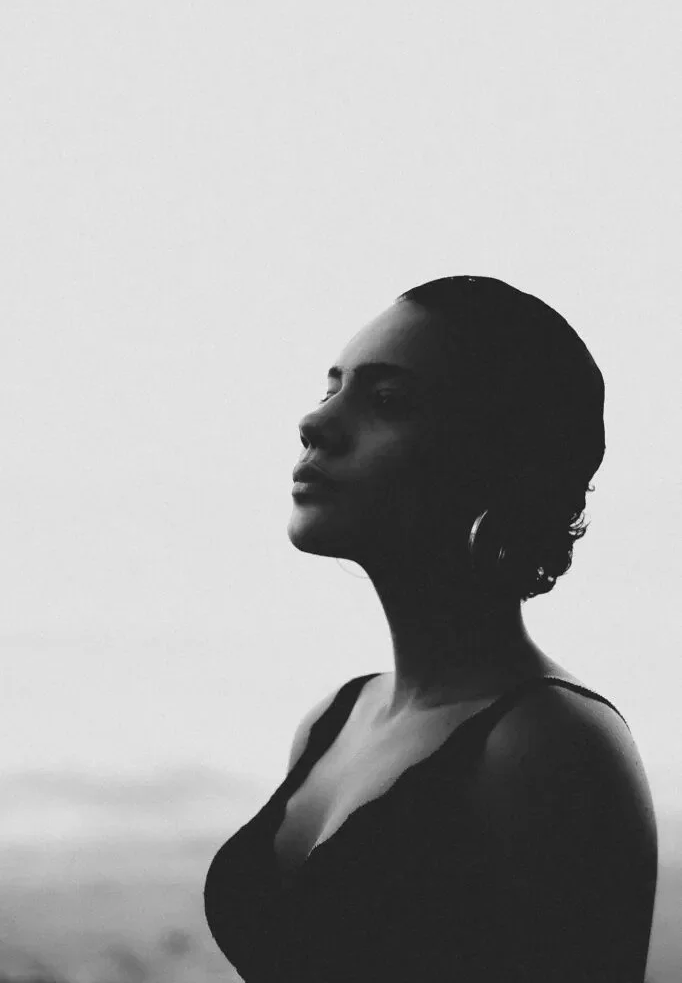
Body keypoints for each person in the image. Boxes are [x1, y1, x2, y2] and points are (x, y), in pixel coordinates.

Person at [204, 276, 658, 982]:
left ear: (497, 462)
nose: (315, 422)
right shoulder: (333, 720)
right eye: (331, 389)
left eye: (387, 400)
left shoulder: (551, 746)